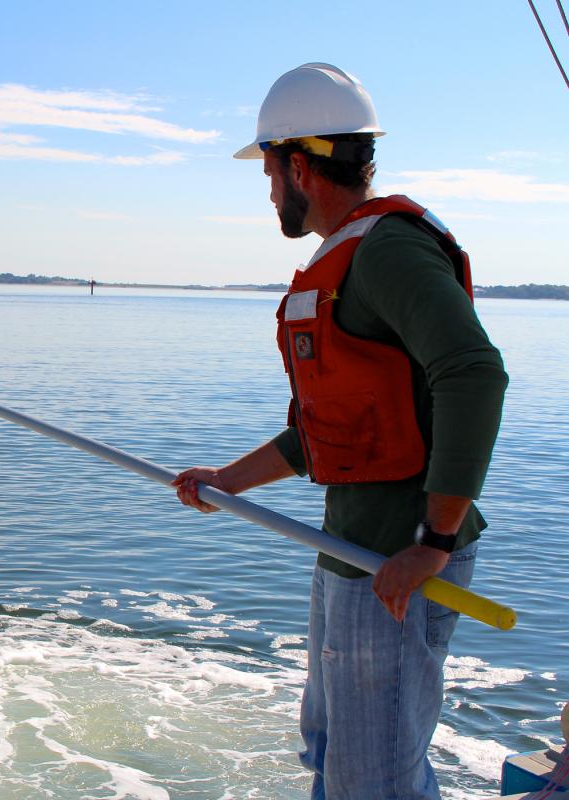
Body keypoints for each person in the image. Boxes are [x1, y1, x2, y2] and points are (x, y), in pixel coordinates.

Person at [173, 63, 508, 799]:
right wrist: (225, 481)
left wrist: (435, 542)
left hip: (398, 559)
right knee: (330, 752)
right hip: (349, 554)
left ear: (299, 165)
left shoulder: (387, 251)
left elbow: (475, 373)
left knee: (374, 780)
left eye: (267, 171)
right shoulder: (342, 259)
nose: (267, 192)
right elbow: (322, 435)